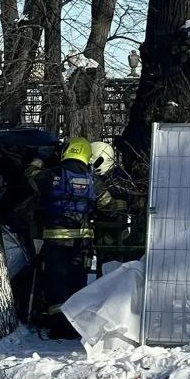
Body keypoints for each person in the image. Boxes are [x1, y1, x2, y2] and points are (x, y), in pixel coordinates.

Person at [25, 137, 113, 338]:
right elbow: (108, 205)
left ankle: (59, 326)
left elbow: (30, 175)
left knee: (56, 283)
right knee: (77, 283)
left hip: (55, 240)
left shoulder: (52, 175)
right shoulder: (94, 181)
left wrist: (40, 157)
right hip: (82, 243)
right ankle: (76, 327)